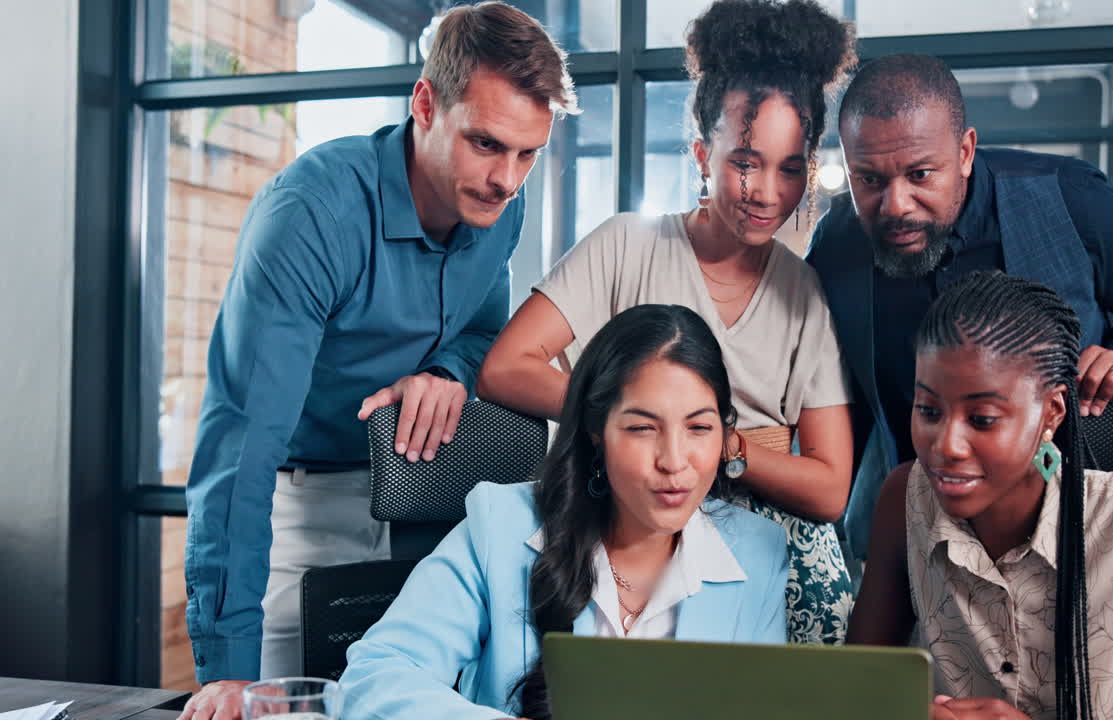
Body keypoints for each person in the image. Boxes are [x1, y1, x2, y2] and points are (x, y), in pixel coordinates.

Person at [178, 4, 578, 718]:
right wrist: (229, 672)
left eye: (528, 153)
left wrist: (445, 375)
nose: (507, 179)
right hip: (305, 505)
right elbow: (241, 454)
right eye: (486, 143)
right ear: (425, 103)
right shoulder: (310, 216)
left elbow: (488, 335)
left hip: (435, 511)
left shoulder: (500, 208)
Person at [477, 0, 858, 645]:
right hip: (625, 512)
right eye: (745, 160)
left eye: (790, 168)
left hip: (761, 541)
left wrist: (719, 447)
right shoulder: (628, 244)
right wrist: (632, 415)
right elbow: (505, 368)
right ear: (702, 154)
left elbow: (827, 490)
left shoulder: (805, 294)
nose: (766, 191)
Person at [807, 54, 1113, 584]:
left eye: (920, 174)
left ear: (965, 151)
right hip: (924, 536)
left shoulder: (1067, 195)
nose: (895, 204)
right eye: (869, 179)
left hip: (1079, 536)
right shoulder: (837, 245)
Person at [847, 271, 1113, 720]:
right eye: (928, 410)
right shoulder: (905, 499)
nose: (946, 444)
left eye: (984, 418)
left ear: (1051, 413)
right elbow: (857, 692)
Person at [340, 304, 788, 720]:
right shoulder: (500, 523)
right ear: (597, 432)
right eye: (641, 428)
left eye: (699, 428)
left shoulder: (759, 554)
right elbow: (375, 674)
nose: (674, 460)